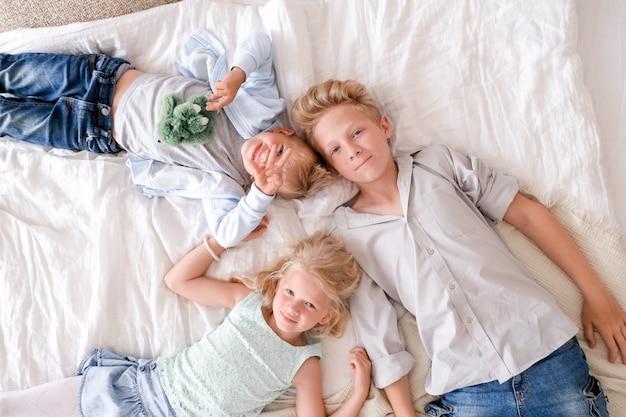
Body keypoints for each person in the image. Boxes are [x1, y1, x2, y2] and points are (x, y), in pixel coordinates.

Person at [290, 79, 626, 417]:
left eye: (356, 132)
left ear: (384, 125)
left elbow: (526, 215)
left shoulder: (439, 164)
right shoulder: (346, 234)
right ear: (332, 167)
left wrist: (597, 295)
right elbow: (380, 335)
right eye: (335, 149)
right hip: (469, 390)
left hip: (547, 359)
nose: (351, 150)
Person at [0, 30, 333, 248]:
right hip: (104, 79)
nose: (265, 159)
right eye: (278, 151)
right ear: (282, 131)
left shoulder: (227, 183)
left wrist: (258, 196)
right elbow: (260, 43)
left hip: (91, 130)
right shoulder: (255, 109)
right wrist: (236, 77)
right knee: (12, 72)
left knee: (9, 118)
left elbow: (226, 236)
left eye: (270, 175)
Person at [0, 232, 371, 417]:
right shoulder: (248, 303)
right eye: (289, 292)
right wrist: (222, 240)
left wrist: (358, 392)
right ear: (277, 284)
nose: (292, 308)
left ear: (326, 316)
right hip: (140, 389)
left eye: (309, 305)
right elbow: (179, 281)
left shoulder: (305, 363)